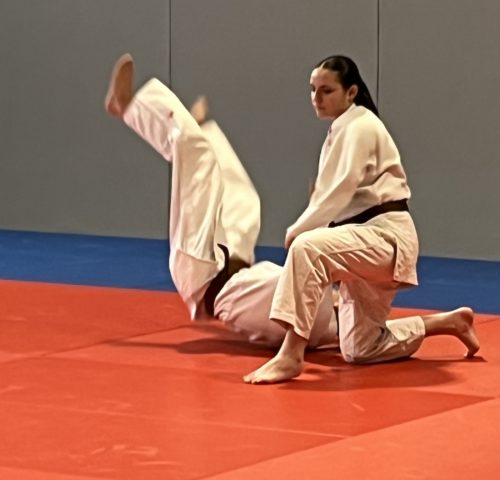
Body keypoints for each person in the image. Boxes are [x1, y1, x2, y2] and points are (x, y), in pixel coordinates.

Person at [243, 55, 480, 384]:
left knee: (306, 248)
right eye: (312, 90)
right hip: (363, 240)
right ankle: (449, 322)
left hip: (385, 237)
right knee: (360, 348)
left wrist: (300, 228)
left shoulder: (360, 126)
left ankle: (290, 355)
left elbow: (340, 190)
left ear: (351, 92)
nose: (317, 98)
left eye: (326, 90)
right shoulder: (342, 129)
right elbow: (336, 198)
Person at [103, 53, 338, 349]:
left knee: (197, 156)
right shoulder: (327, 321)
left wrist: (319, 219)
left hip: (203, 270)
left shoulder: (316, 318)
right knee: (244, 199)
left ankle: (128, 107)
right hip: (232, 263)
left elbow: (309, 258)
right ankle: (203, 130)